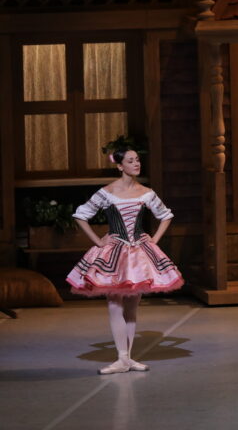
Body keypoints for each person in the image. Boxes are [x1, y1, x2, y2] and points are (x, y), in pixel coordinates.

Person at [66, 148, 184, 375]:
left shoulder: (146, 193)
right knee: (114, 303)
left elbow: (166, 215)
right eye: (130, 161)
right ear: (120, 166)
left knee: (131, 306)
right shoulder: (107, 192)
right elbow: (81, 215)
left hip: (138, 252)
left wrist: (155, 240)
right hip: (115, 252)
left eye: (138, 160)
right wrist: (98, 242)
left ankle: (127, 359)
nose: (136, 164)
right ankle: (121, 358)